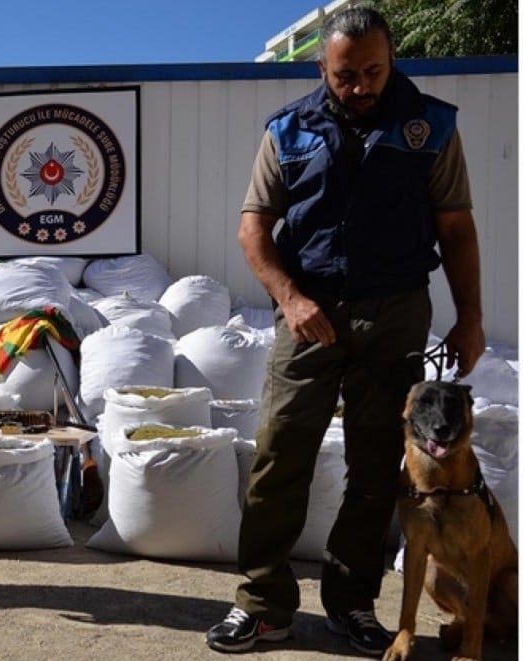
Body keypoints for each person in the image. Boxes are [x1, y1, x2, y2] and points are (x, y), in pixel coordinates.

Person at [206, 7, 485, 656]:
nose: (361, 86)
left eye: (373, 71)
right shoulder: (288, 130)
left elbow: (457, 228)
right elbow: (254, 228)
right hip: (310, 314)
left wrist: (469, 315)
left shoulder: (431, 127)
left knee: (373, 469)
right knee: (278, 456)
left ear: (391, 60)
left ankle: (352, 603)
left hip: (396, 314)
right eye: (345, 75)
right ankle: (261, 604)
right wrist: (289, 297)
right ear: (321, 68)